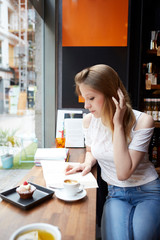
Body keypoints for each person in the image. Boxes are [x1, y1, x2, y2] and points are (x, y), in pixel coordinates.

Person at [65, 64, 160, 240]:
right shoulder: (89, 121)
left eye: (91, 98)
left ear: (113, 95)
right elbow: (92, 149)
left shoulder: (143, 122)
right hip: (116, 194)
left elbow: (123, 172)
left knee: (141, 236)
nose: (86, 105)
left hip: (147, 191)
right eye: (84, 98)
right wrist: (87, 162)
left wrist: (117, 124)